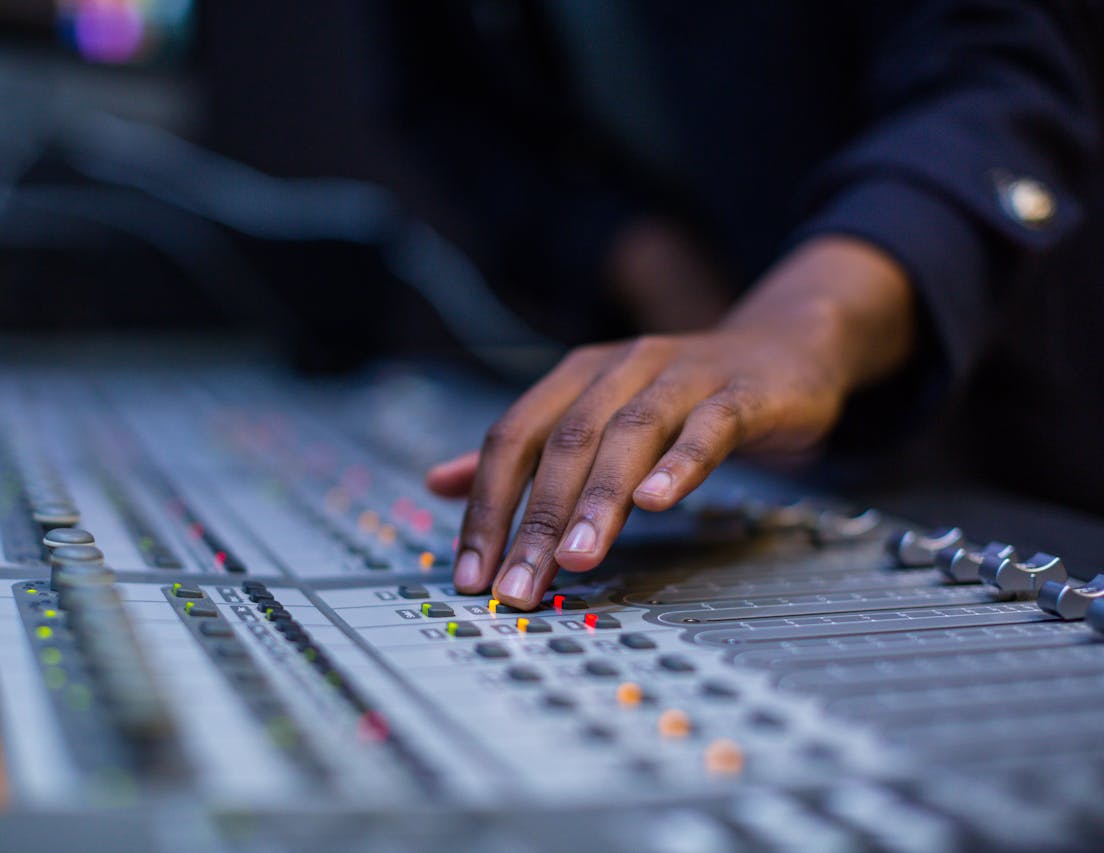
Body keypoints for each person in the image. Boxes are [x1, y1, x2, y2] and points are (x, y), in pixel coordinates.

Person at [405, 0, 1103, 610]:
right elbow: (454, 109)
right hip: (728, 346)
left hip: (1001, 396)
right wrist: (650, 263)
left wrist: (801, 326)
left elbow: (994, 72)